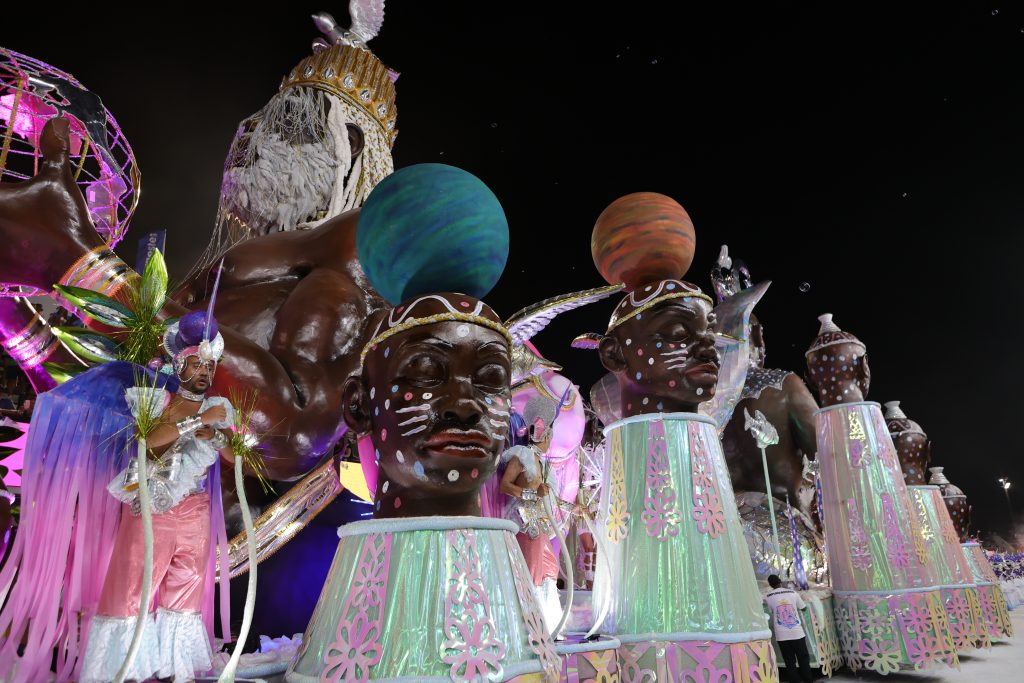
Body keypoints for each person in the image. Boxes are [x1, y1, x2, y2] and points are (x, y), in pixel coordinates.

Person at [79, 310, 235, 682]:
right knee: (132, 588)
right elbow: (148, 442)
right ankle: (122, 671)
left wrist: (215, 434)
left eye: (209, 366)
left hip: (195, 511)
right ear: (179, 365)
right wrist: (198, 421)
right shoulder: (156, 400)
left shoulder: (218, 408)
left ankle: (176, 671)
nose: (204, 372)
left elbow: (232, 453)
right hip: (153, 506)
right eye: (197, 364)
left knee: (186, 591)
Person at [764, 574, 814, 683]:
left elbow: (772, 610)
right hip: (797, 633)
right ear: (780, 581)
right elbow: (804, 608)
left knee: (789, 661)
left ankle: (795, 681)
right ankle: (808, 680)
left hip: (782, 635)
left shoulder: (768, 596)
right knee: (803, 659)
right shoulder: (793, 593)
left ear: (770, 584)